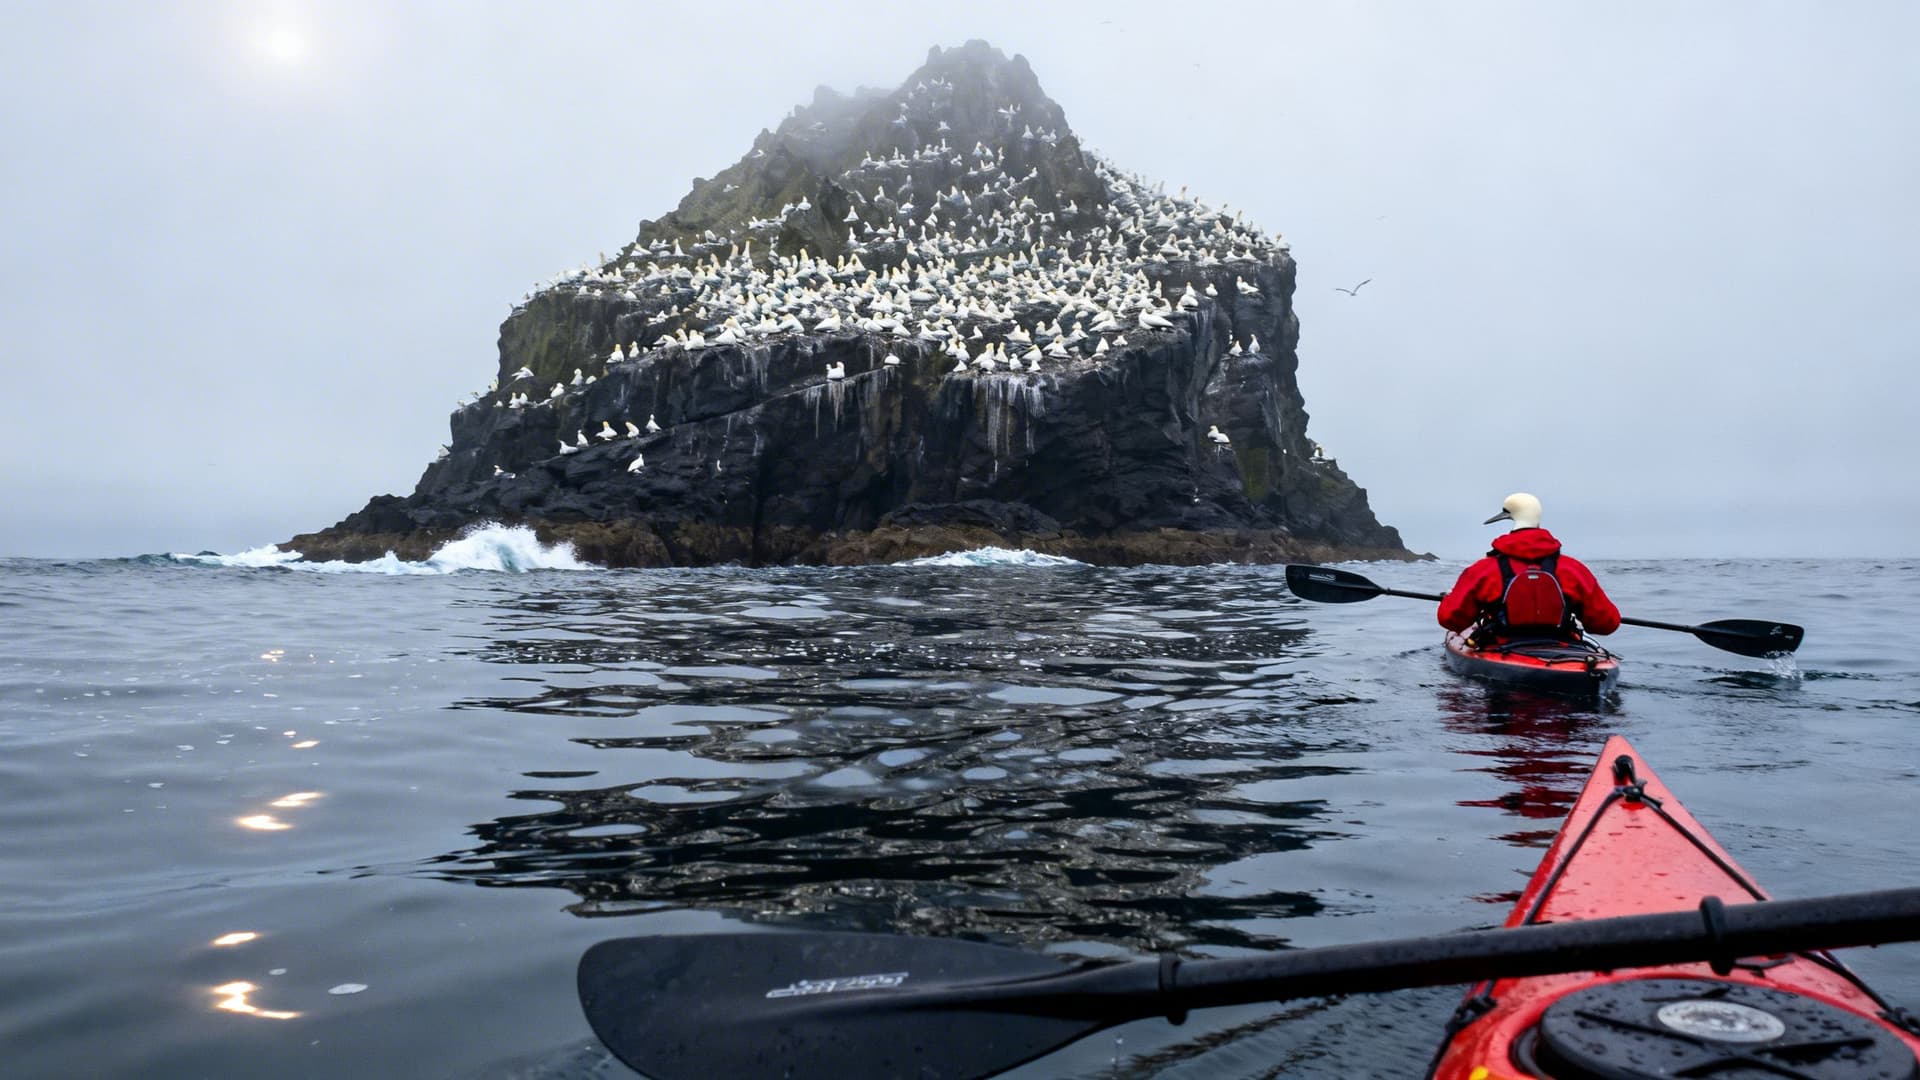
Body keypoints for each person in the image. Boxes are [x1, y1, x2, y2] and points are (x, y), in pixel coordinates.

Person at [1438, 492, 1620, 644]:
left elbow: (1451, 620)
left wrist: (1449, 598)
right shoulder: (1574, 570)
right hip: (1561, 651)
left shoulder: (1483, 570)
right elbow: (1607, 624)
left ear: (1511, 515)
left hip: (1502, 651)